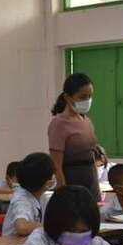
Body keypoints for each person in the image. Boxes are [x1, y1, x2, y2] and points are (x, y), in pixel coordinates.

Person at [48, 73, 102, 202]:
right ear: (67, 97)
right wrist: (63, 190)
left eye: (90, 96)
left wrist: (99, 151)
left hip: (91, 177)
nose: (87, 100)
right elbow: (56, 165)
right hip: (72, 179)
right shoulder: (59, 123)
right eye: (82, 97)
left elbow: (91, 147)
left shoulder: (86, 120)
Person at [1, 153, 55, 238]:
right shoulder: (22, 199)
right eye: (53, 174)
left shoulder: (40, 196)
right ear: (48, 183)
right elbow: (22, 227)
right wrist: (52, 227)